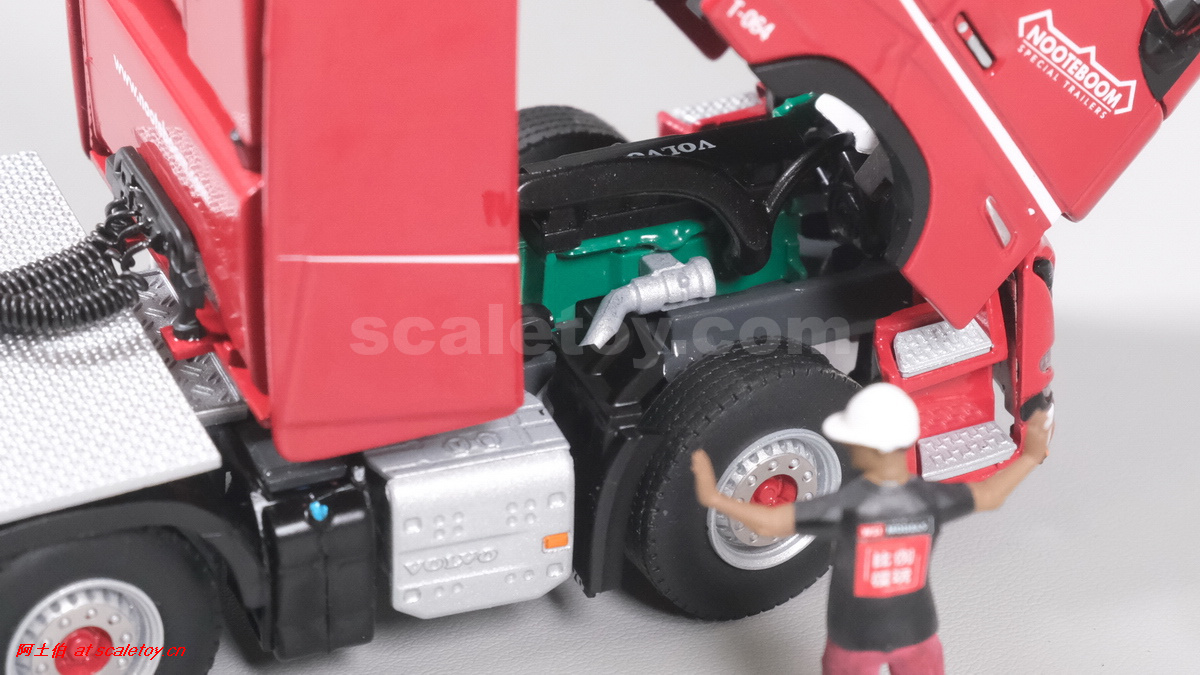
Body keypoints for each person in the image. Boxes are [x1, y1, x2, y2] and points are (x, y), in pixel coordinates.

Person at [691, 382, 1053, 675]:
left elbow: (771, 521)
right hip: (917, 633)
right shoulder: (930, 499)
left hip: (853, 640)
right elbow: (990, 495)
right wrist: (1030, 457)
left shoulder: (848, 505)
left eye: (854, 440)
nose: (848, 446)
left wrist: (716, 499)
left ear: (874, 448)